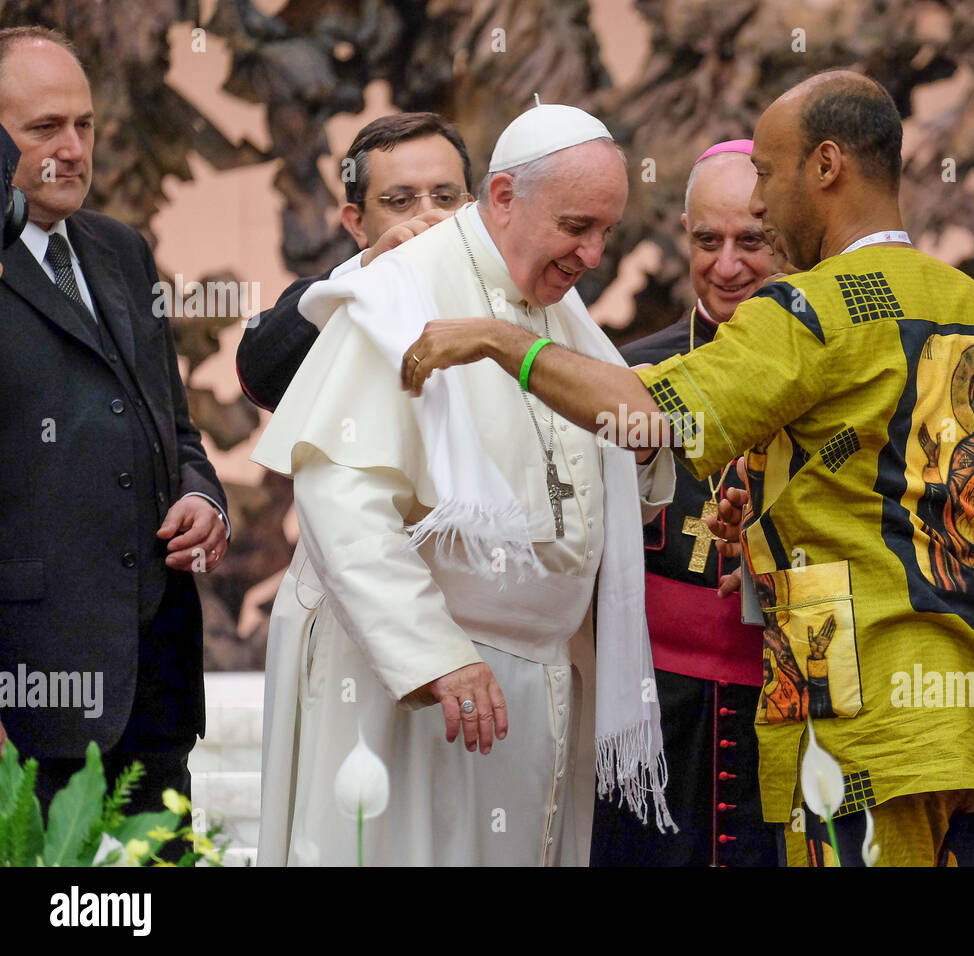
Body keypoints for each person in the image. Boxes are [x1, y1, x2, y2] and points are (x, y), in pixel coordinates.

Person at [402, 71, 974, 867]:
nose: (763, 206)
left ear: (827, 166)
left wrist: (505, 342)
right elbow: (912, 490)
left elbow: (641, 413)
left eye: (769, 175)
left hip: (862, 717)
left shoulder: (812, 307)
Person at [251, 103, 676, 866]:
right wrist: (434, 655)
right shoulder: (400, 290)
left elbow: (612, 467)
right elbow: (341, 497)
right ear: (506, 197)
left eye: (606, 232)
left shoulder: (558, 308)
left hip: (533, 683)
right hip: (409, 691)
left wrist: (641, 457)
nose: (593, 253)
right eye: (578, 225)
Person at [0, 27, 228, 817]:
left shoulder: (121, 251)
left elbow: (175, 427)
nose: (73, 148)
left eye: (84, 125)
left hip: (155, 693)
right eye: (42, 129)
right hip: (27, 704)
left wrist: (204, 498)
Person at [593, 140, 785, 867]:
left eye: (752, 241)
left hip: (788, 695)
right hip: (653, 705)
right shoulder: (628, 372)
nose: (727, 264)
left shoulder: (838, 370)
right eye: (708, 240)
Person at [236, 111, 473, 411]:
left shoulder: (514, 292)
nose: (428, 214)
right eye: (400, 201)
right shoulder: (335, 300)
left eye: (445, 197)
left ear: (470, 208)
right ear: (357, 223)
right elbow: (259, 379)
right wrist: (367, 270)